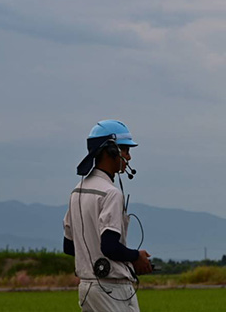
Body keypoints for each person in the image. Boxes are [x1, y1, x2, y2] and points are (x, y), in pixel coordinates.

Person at [64, 120, 152, 312]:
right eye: (126, 150)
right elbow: (110, 246)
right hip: (113, 289)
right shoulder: (111, 193)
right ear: (111, 150)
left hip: (87, 288)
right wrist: (136, 257)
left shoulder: (76, 192)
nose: (129, 157)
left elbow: (69, 246)